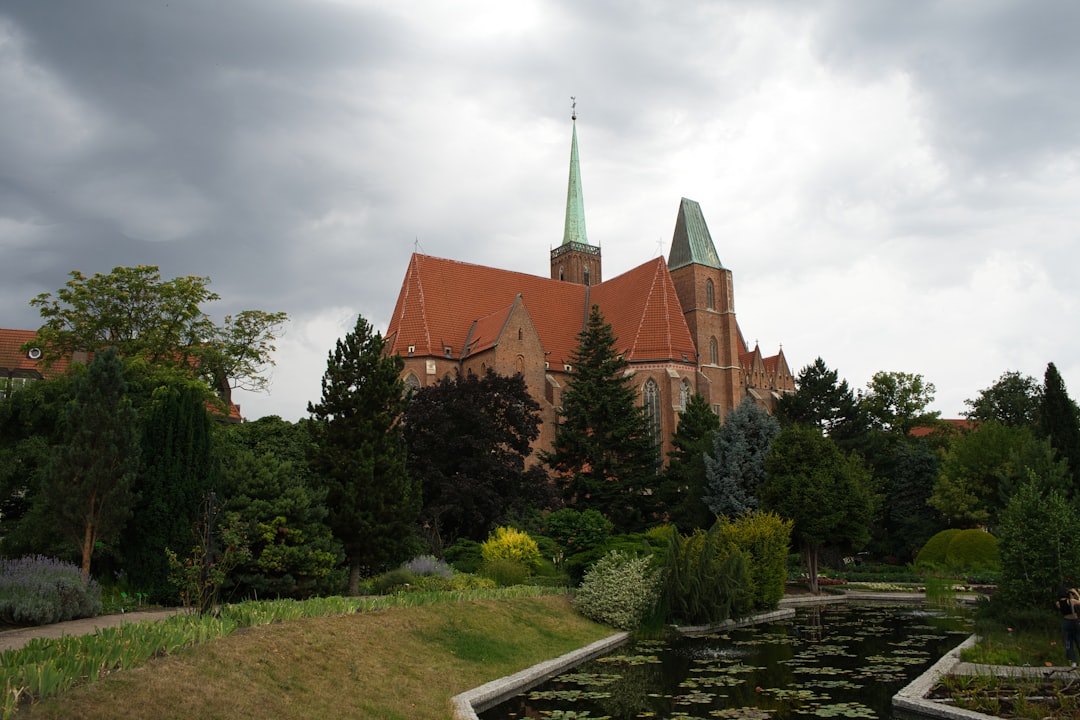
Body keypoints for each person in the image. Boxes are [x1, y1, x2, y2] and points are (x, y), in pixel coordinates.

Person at [1056, 587, 1080, 668]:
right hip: (1075, 622)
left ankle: (1073, 661)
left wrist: (1071, 595)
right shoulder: (1071, 601)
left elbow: (1068, 605)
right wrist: (1076, 593)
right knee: (1078, 640)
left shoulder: (1058, 603)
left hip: (1066, 622)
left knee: (1068, 643)